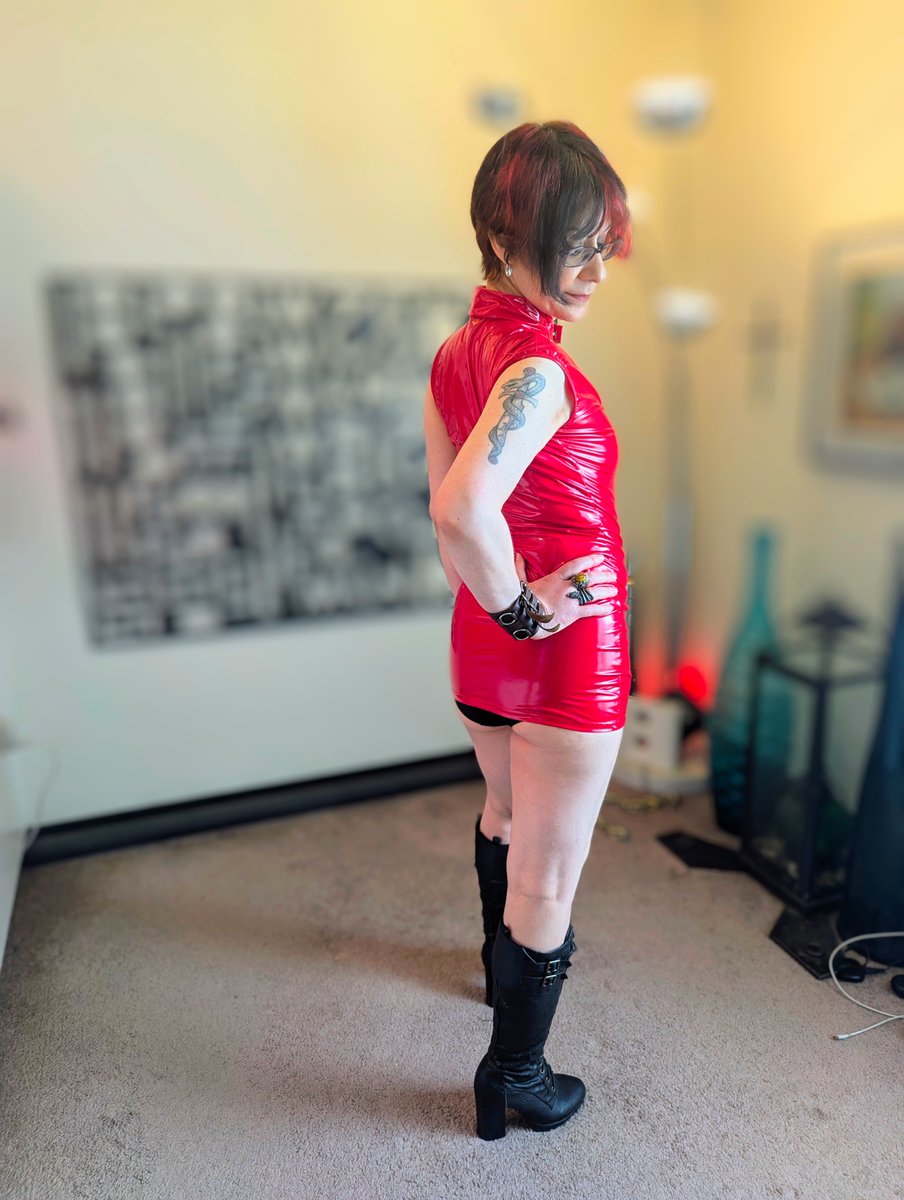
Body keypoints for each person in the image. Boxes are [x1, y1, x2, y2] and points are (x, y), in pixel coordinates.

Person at [423, 121, 633, 1141]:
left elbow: (451, 530)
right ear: (505, 239)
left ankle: (492, 969)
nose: (595, 272)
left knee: (505, 813)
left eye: (603, 247)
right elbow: (461, 510)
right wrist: (528, 608)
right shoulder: (538, 371)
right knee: (549, 876)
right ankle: (515, 1074)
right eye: (574, 247)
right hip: (562, 651)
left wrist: (498, 610)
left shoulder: (452, 355)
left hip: (483, 641)